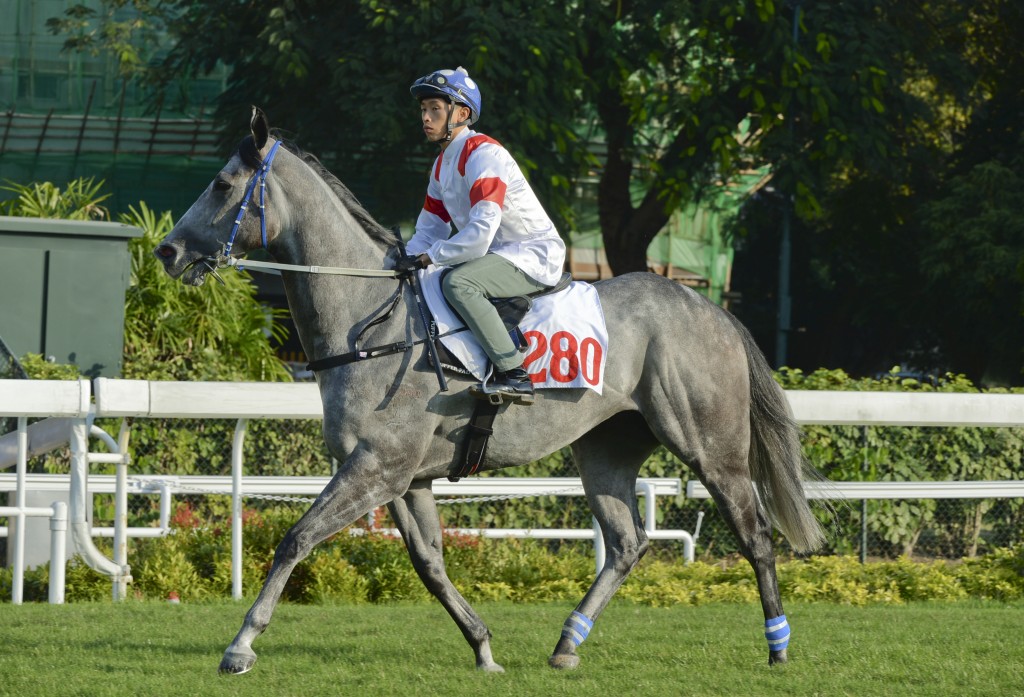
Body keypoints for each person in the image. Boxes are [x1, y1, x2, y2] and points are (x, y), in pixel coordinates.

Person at [397, 67, 566, 401]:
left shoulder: (484, 154)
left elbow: (479, 234)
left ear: (462, 113)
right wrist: (401, 261)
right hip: (497, 256)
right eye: (423, 110)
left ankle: (514, 372)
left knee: (458, 282)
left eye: (434, 109)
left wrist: (430, 257)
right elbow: (429, 229)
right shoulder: (442, 164)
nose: (426, 118)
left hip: (532, 254)